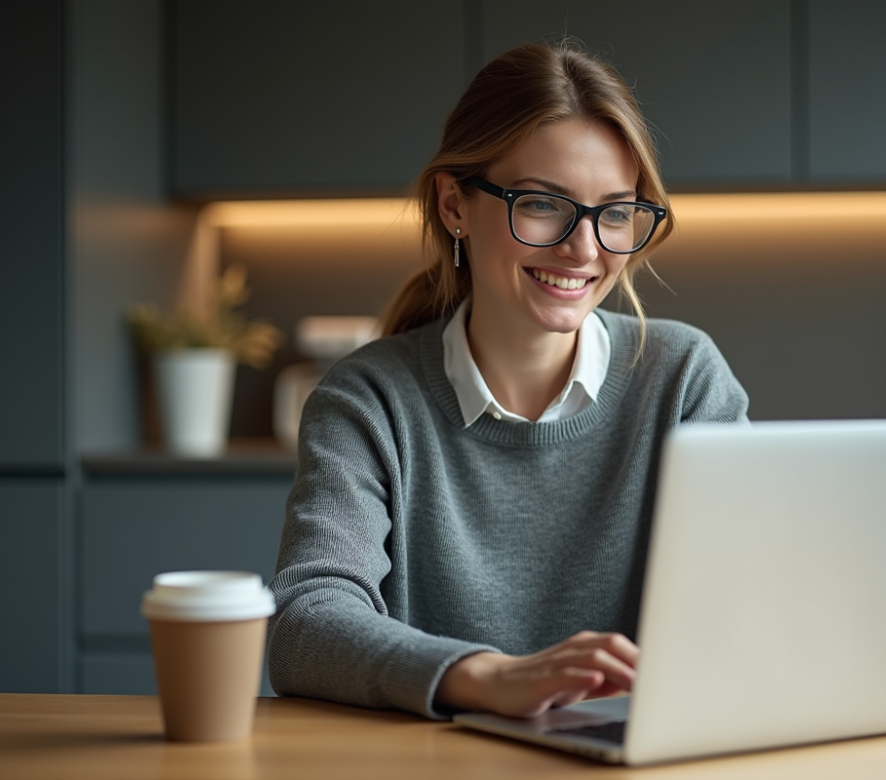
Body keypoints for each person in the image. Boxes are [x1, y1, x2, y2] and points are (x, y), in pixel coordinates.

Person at [267, 42, 749, 720]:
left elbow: (755, 602)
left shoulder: (684, 380)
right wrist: (485, 677)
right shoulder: (368, 400)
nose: (584, 249)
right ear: (455, 205)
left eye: (614, 213)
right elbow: (305, 624)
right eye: (543, 205)